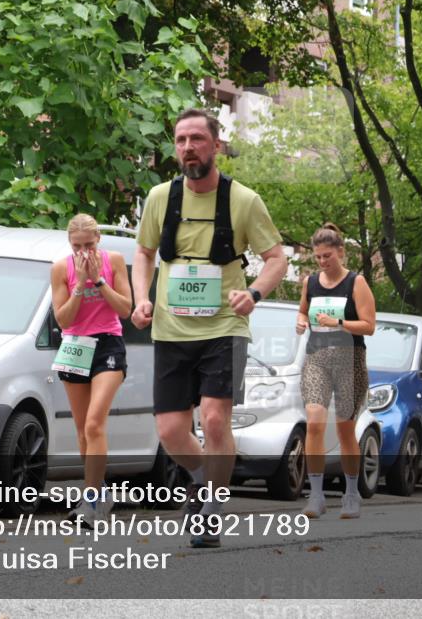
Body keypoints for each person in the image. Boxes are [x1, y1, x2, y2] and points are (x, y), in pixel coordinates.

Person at [131, 108, 287, 547]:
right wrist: (142, 298)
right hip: (171, 329)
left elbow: (277, 259)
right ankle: (203, 479)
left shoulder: (244, 200)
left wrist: (253, 294)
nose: (187, 147)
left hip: (225, 327)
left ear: (216, 146)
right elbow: (143, 254)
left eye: (197, 139)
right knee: (171, 431)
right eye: (181, 140)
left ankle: (213, 509)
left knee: (215, 420)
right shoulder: (161, 197)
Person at [51, 214, 132, 526]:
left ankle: (91, 501)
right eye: (76, 246)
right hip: (75, 345)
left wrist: (99, 280)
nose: (83, 251)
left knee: (96, 423)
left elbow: (125, 309)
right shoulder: (61, 268)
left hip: (108, 344)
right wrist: (80, 284)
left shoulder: (114, 261)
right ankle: (99, 493)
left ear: (98, 239)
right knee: (83, 429)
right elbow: (64, 320)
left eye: (88, 244)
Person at [295, 224, 376, 519]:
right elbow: (303, 310)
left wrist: (338, 323)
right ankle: (315, 495)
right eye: (317, 257)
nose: (322, 262)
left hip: (349, 358)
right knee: (314, 423)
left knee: (344, 428)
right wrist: (301, 321)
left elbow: (369, 325)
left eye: (327, 256)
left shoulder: (356, 282)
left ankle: (351, 493)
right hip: (317, 356)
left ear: (340, 252)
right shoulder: (311, 282)